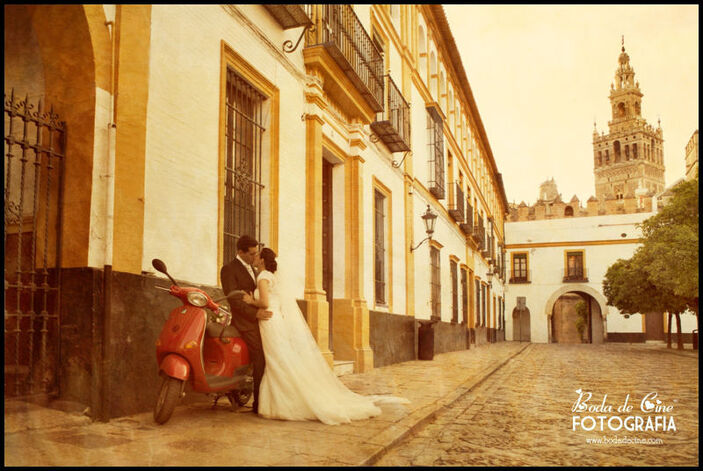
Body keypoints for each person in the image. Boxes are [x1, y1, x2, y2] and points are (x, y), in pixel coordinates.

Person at [240, 247, 408, 425]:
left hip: (269, 321)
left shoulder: (263, 277)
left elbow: (265, 303)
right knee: (279, 359)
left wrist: (251, 301)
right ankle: (283, 398)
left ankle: (284, 401)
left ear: (263, 260)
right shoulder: (272, 277)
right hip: (276, 320)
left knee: (276, 359)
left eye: (257, 255)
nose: (255, 257)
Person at [220, 235, 272, 414]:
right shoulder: (228, 269)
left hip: (258, 321)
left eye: (256, 253)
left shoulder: (254, 269)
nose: (254, 257)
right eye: (251, 254)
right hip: (245, 323)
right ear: (240, 252)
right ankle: (259, 404)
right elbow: (234, 300)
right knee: (260, 358)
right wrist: (255, 313)